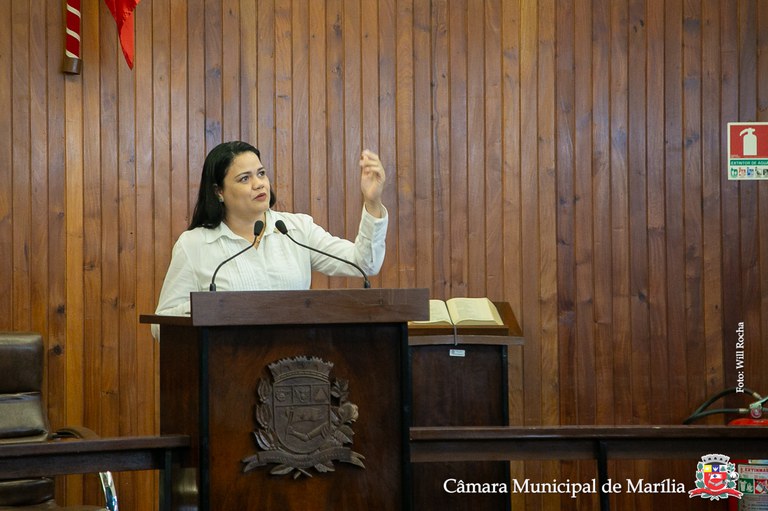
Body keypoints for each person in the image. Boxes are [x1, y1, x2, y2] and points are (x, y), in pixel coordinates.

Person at [152, 140, 388, 335]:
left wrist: (373, 201)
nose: (259, 184)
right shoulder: (195, 245)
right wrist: (208, 309)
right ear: (219, 192)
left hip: (296, 366)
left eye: (261, 174)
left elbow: (365, 263)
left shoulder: (296, 230)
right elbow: (160, 326)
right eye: (245, 178)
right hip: (228, 366)